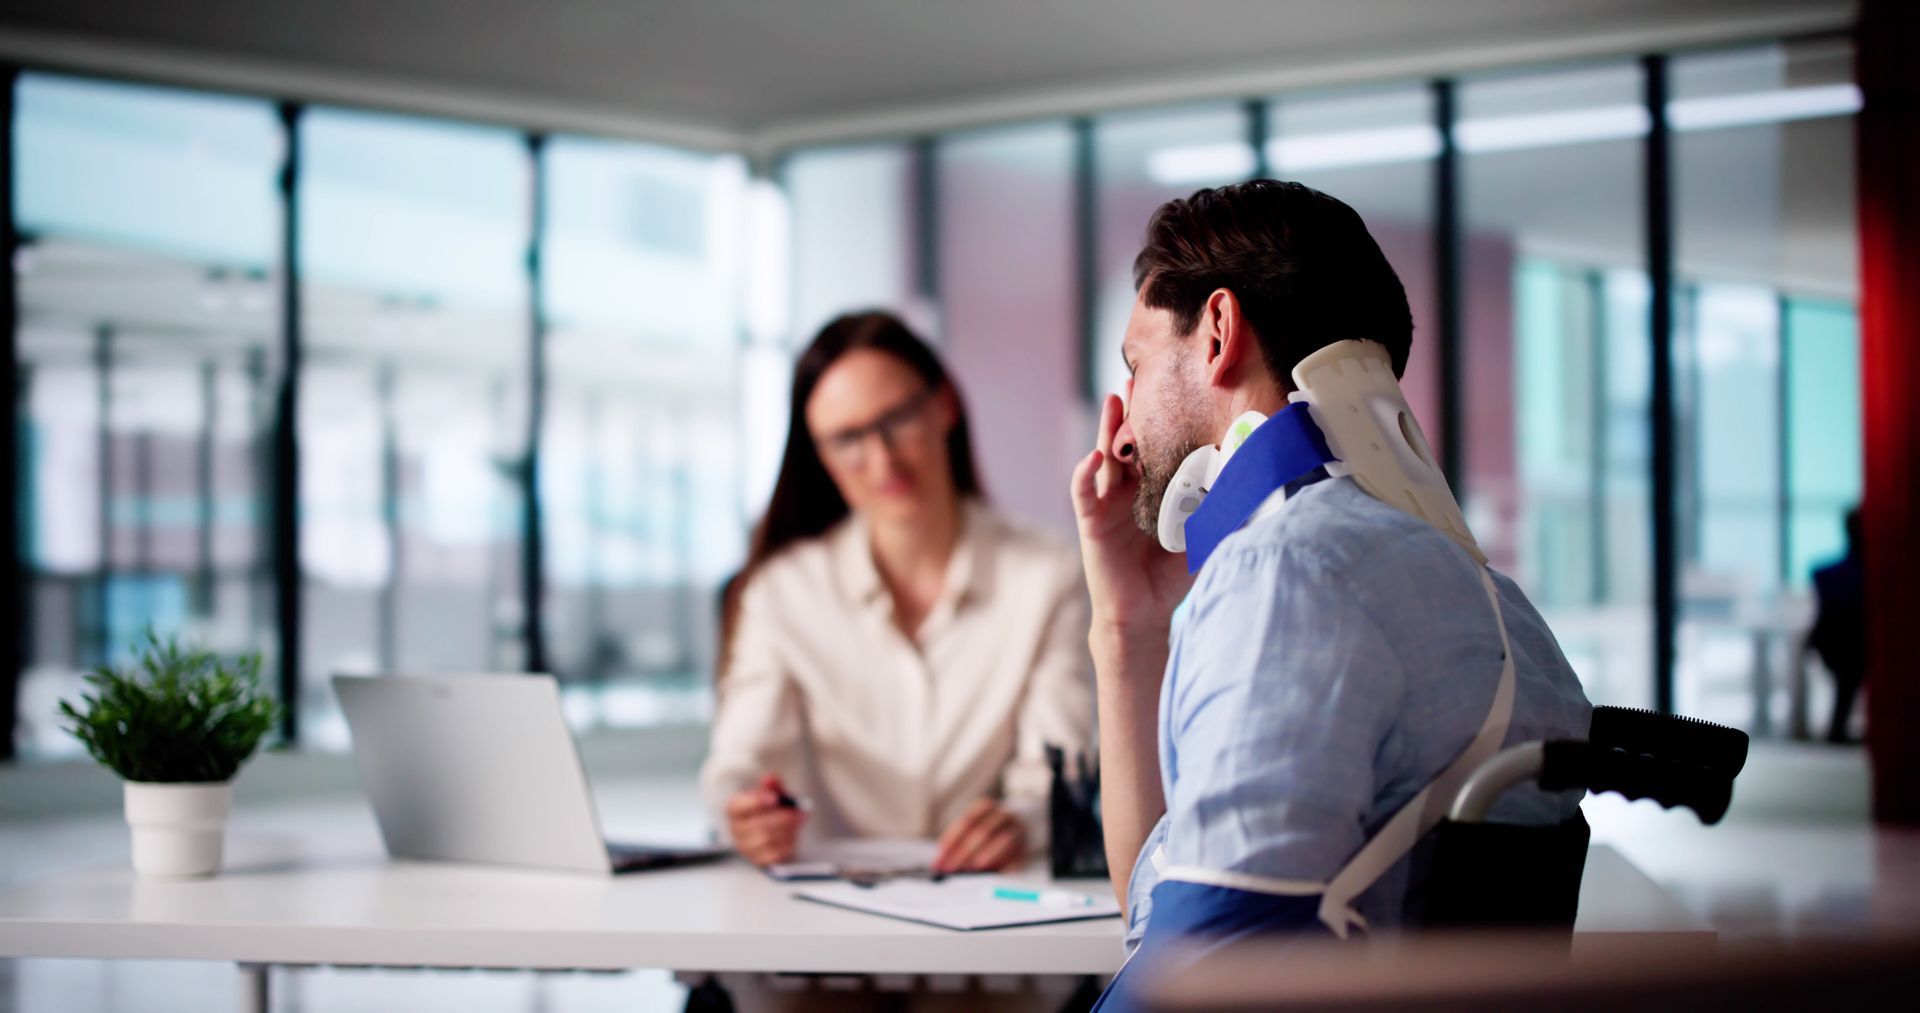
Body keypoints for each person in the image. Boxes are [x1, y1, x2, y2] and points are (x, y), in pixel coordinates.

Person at [1068, 180, 1592, 1007]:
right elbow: (1163, 899)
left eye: (1135, 364)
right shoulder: (1501, 604)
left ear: (1216, 333)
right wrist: (1126, 621)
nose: (1124, 426)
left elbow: (1195, 977)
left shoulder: (1286, 574)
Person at [701, 310, 1093, 876]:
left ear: (944, 407)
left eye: (898, 419)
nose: (882, 460)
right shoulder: (781, 592)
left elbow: (1059, 773)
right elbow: (738, 769)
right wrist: (747, 816)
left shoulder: (1047, 572)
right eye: (848, 440)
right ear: (819, 456)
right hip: (834, 920)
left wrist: (1021, 821)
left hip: (994, 910)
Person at [1809, 508, 1866, 744]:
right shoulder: (1870, 575)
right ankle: (1838, 729)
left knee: (1845, 686)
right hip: (1853, 646)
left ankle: (1838, 728)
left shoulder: (1827, 573)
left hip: (1836, 645)